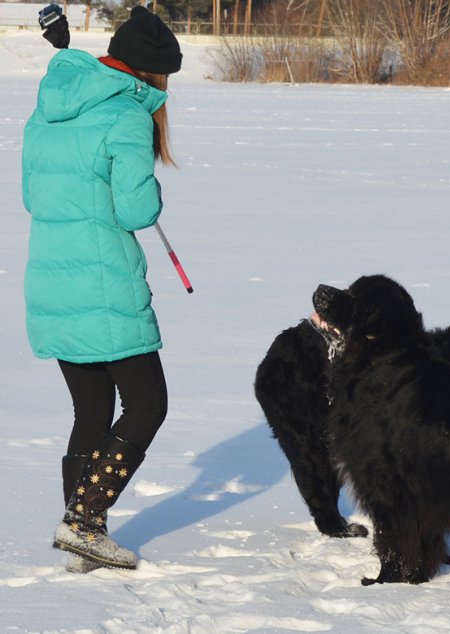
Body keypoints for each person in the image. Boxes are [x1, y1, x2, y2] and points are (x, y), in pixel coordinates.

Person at [21, 6, 182, 572]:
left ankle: (79, 529)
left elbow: (32, 196)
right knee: (148, 405)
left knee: (91, 410)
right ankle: (84, 522)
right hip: (103, 282)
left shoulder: (47, 112)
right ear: (150, 73)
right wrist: (151, 190)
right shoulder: (127, 117)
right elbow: (135, 208)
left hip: (50, 280)